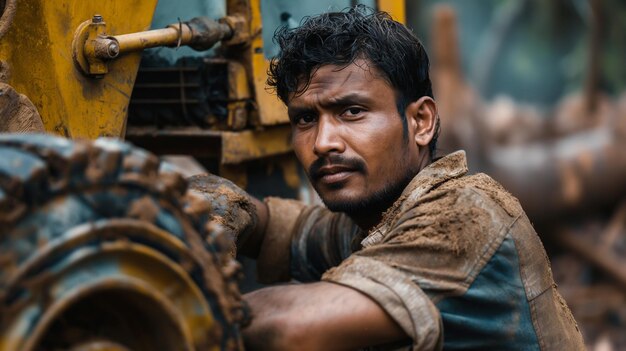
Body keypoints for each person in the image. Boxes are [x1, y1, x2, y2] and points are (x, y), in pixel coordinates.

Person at [189, 6, 585, 351]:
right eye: (306, 118)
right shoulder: (381, 216)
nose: (323, 142)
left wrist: (176, 294)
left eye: (352, 112)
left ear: (420, 122)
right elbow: (281, 228)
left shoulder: (465, 218)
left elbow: (290, 328)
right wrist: (219, 204)